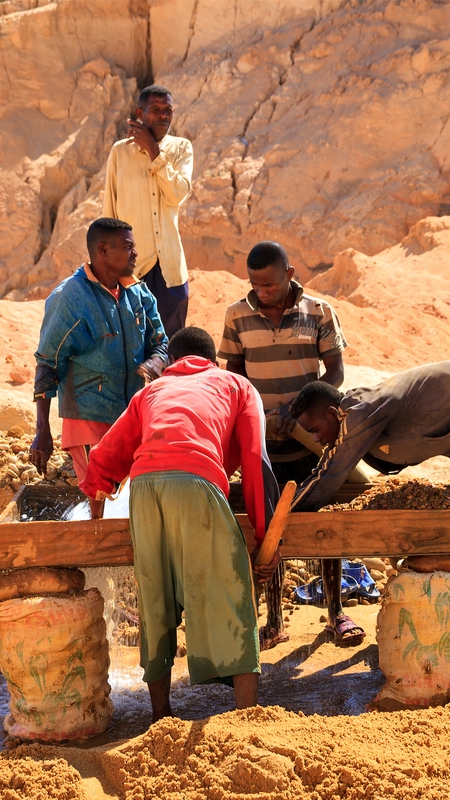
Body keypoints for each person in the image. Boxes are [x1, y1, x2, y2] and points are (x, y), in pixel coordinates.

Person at [79, 326, 281, 721]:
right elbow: (256, 459)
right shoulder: (236, 385)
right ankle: (247, 716)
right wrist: (261, 534)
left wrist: (96, 506)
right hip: (198, 482)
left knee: (156, 597)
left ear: (170, 364)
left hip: (146, 489)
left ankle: (161, 716)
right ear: (214, 362)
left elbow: (105, 455)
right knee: (230, 594)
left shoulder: (151, 392)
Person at [289, 360, 450, 646]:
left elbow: (330, 472)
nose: (315, 438)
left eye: (315, 429)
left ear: (332, 413)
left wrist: (286, 516)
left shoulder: (361, 412)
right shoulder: (355, 411)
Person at [220, 240, 352, 648]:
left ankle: (336, 614)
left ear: (289, 275)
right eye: (255, 285)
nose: (262, 292)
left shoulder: (319, 312)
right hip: (264, 447)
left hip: (310, 444)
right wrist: (257, 420)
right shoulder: (236, 317)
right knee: (269, 531)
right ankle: (274, 621)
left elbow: (337, 372)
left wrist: (300, 409)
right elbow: (235, 379)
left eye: (270, 285)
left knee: (324, 524)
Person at [29, 217, 168, 498]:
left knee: (131, 499)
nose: (135, 253)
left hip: (133, 418)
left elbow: (161, 343)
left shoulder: (139, 293)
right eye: (128, 247)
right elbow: (48, 364)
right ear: (102, 250)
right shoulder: (70, 297)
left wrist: (155, 363)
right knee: (102, 497)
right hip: (89, 418)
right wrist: (42, 431)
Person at [103, 85, 193, 335]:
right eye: (156, 110)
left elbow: (177, 193)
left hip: (171, 272)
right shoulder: (120, 152)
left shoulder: (181, 149)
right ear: (139, 112)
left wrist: (154, 151)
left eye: (168, 110)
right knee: (133, 347)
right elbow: (110, 212)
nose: (164, 116)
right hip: (133, 270)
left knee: (172, 347)